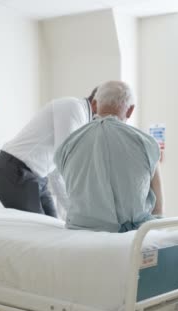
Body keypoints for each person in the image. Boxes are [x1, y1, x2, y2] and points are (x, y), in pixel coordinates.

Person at [54, 81, 164, 232]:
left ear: (94, 104)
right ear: (130, 110)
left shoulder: (68, 145)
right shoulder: (146, 144)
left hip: (78, 230)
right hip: (132, 236)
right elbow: (158, 211)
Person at [0, 88, 98, 217]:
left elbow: (57, 171)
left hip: (37, 176)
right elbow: (64, 162)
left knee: (53, 225)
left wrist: (76, 210)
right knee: (40, 231)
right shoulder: (73, 108)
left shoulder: (83, 119)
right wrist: (81, 211)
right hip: (14, 171)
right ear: (96, 104)